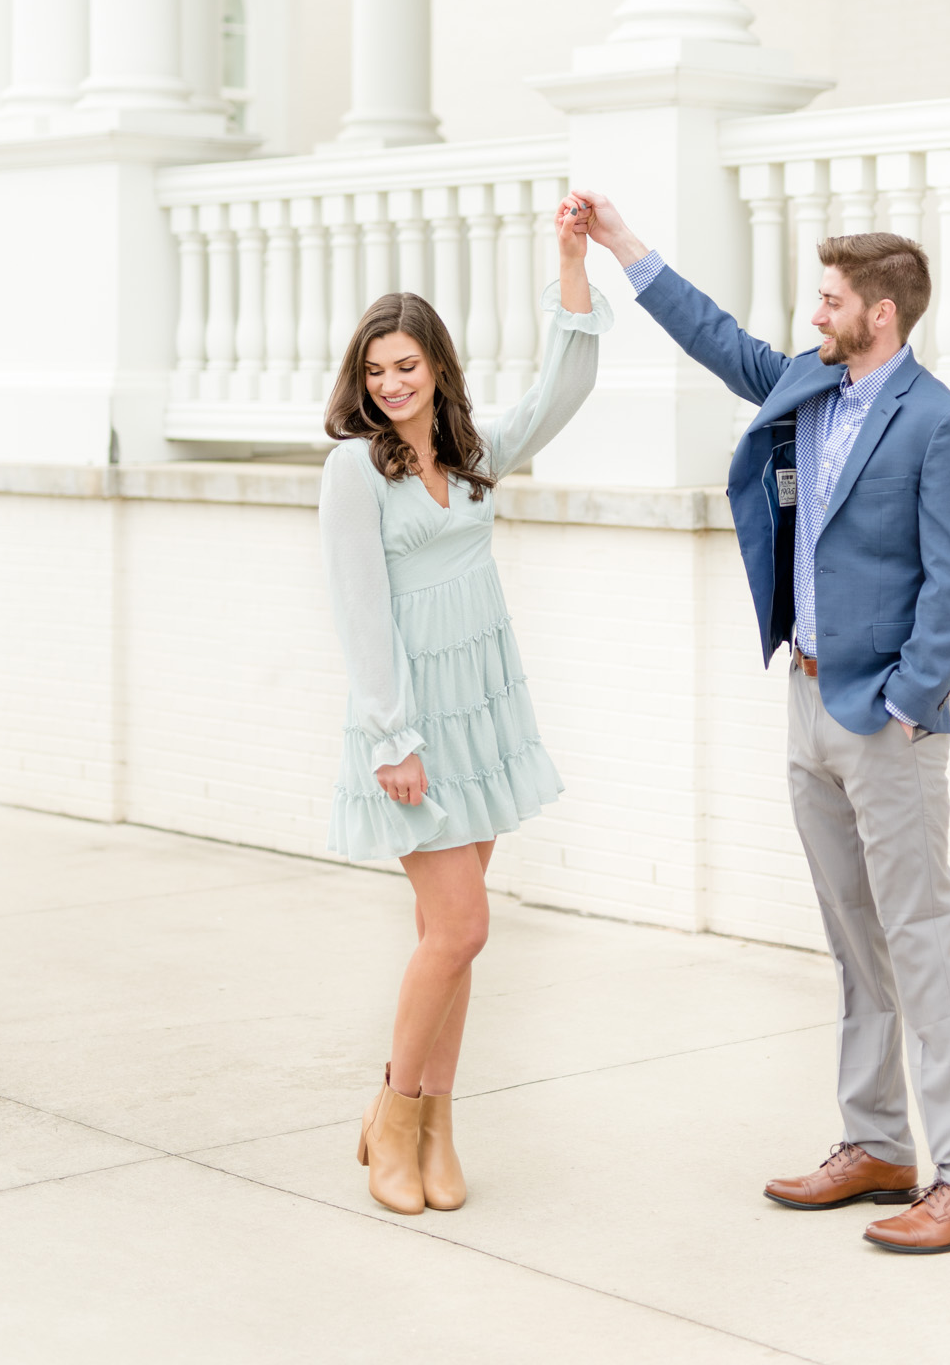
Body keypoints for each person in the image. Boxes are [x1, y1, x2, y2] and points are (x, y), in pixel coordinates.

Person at [573, 192, 950, 1257]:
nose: (812, 313)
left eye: (828, 299)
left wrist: (908, 702)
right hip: (804, 699)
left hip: (886, 722)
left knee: (921, 941)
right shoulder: (809, 383)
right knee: (855, 943)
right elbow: (713, 334)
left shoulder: (941, 423)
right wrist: (623, 243)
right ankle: (875, 1143)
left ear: (881, 313)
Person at [319, 196, 611, 1217]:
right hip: (415, 725)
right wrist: (389, 735)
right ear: (360, 381)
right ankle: (392, 1113)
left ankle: (438, 1123)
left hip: (483, 709)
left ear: (436, 365)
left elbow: (565, 381)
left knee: (459, 937)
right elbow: (359, 608)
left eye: (407, 364)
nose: (392, 383)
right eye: (375, 369)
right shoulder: (353, 469)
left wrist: (569, 261)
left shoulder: (474, 453)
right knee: (459, 925)